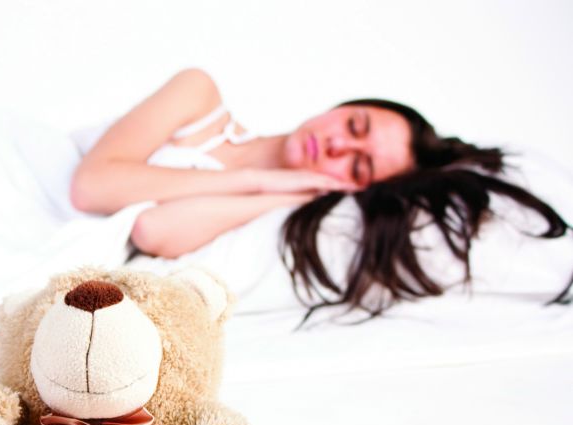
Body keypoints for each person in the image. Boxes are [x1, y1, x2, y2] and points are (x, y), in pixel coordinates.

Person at [71, 68, 572, 318]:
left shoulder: (281, 212)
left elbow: (152, 229)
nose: (337, 144)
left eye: (357, 163)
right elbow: (92, 188)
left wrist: (283, 194)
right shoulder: (198, 96)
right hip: (41, 186)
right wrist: (257, 179)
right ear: (344, 105)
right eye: (354, 125)